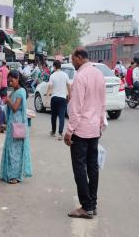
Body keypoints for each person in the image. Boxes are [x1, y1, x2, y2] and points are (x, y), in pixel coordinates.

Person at [64, 47, 105, 219]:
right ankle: (92, 205)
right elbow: (103, 103)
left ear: (80, 58)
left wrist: (69, 131)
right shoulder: (99, 74)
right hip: (94, 128)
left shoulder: (81, 76)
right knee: (93, 167)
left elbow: (76, 107)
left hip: (81, 130)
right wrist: (101, 124)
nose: (72, 62)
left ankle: (86, 207)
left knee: (80, 168)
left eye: (73, 59)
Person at [0, 70, 32, 184]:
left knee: (15, 152)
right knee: (10, 149)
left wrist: (8, 100)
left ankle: (15, 176)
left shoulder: (21, 91)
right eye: (8, 80)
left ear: (17, 78)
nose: (9, 81)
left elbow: (15, 108)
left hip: (18, 125)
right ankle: (8, 173)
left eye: (11, 79)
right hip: (12, 124)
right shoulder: (15, 91)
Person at [46, 61, 71, 140]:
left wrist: (47, 97)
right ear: (60, 66)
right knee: (61, 116)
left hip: (54, 98)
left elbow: (50, 87)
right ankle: (60, 134)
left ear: (54, 67)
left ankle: (53, 131)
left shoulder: (52, 75)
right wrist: (70, 95)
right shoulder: (65, 75)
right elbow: (68, 85)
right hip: (62, 98)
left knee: (53, 116)